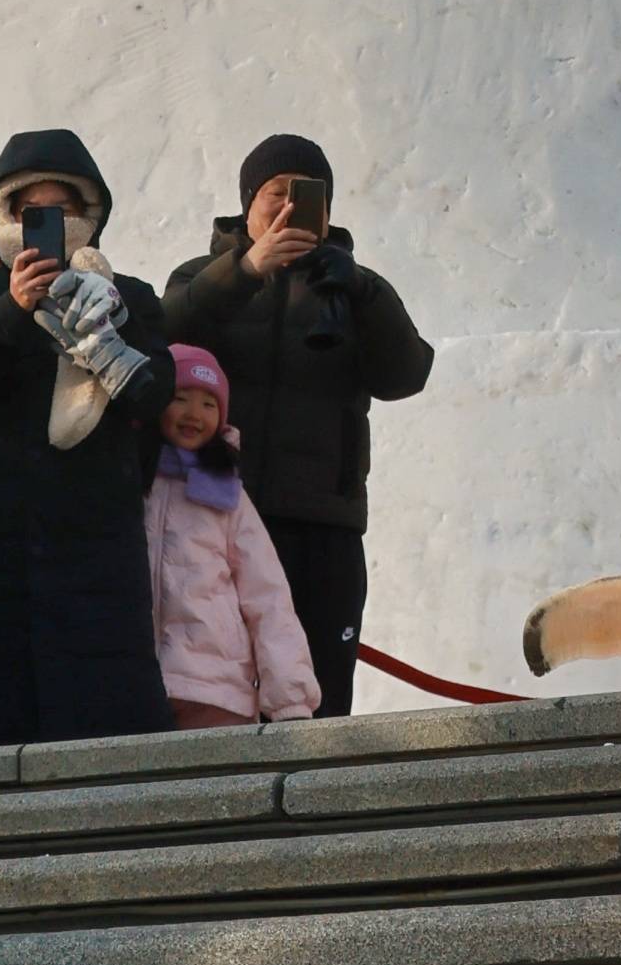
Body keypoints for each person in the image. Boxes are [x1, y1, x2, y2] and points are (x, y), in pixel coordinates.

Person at [160, 133, 433, 718]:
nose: (290, 209)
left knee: (319, 693)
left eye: (308, 198)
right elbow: (163, 336)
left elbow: (406, 374)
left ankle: (315, 802)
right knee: (218, 686)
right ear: (248, 203)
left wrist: (362, 290)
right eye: (275, 195)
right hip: (218, 515)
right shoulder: (203, 275)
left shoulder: (353, 290)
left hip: (322, 523)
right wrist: (247, 270)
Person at [0, 126, 173, 752]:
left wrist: (109, 337)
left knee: (110, 742)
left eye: (64, 209)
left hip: (98, 547)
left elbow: (155, 390)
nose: (50, 223)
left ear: (90, 216)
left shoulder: (127, 296)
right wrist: (10, 311)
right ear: (5, 216)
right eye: (33, 211)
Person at [145, 340, 320, 728]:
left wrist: (290, 702)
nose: (194, 413)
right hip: (135, 686)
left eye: (209, 404)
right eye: (180, 397)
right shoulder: (132, 481)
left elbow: (268, 599)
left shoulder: (228, 497)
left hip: (216, 691)